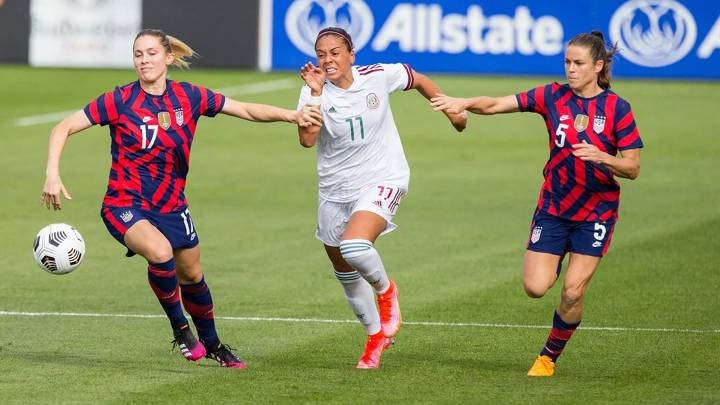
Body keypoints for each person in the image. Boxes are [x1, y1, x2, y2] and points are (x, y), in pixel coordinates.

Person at [40, 28, 322, 369]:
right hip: (123, 202)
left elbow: (244, 109)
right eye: (138, 54)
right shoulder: (120, 100)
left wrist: (292, 115)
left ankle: (214, 343)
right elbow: (62, 128)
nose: (144, 60)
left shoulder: (189, 97)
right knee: (160, 254)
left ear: (168, 57)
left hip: (172, 205)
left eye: (151, 53)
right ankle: (181, 331)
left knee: (192, 275)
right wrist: (52, 173)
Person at [431, 31, 643, 376]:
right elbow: (498, 104)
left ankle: (547, 358)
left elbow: (632, 167)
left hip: (596, 212)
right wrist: (464, 101)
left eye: (578, 64)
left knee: (573, 292)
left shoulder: (618, 108)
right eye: (567, 62)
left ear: (598, 66)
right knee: (535, 287)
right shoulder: (551, 96)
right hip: (554, 207)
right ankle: (558, 262)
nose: (570, 69)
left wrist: (603, 157)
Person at [296, 27, 467, 369]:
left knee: (354, 246)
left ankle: (387, 291)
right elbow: (306, 139)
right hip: (334, 191)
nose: (328, 60)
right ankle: (375, 338)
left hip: (382, 177)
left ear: (351, 55)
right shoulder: (312, 92)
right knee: (344, 272)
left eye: (335, 52)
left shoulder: (377, 76)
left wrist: (450, 108)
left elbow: (416, 78)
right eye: (321, 54)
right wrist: (315, 94)